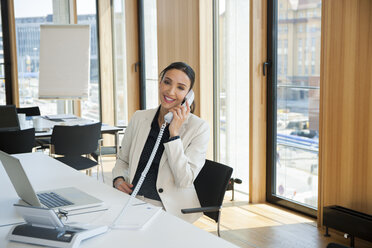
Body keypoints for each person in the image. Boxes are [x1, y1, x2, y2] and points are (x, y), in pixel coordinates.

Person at [112, 62, 209, 223]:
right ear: (159, 83)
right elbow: (123, 160)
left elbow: (184, 180)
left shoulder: (198, 128)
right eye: (167, 82)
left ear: (188, 95)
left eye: (180, 87)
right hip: (131, 200)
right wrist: (118, 179)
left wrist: (174, 135)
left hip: (168, 209)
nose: (170, 91)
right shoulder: (139, 117)